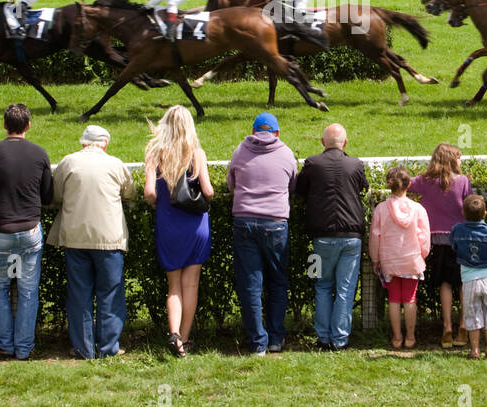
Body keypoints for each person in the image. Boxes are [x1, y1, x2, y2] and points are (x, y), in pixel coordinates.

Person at [49, 125, 135, 359]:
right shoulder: (115, 164)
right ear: (105, 144)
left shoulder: (68, 162)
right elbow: (130, 192)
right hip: (109, 239)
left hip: (75, 238)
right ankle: (108, 347)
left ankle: (82, 348)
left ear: (83, 143)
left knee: (79, 294)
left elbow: (56, 196)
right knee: (110, 293)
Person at [0, 104, 52, 361]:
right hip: (29, 231)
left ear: (4, 125)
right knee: (28, 290)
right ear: (28, 126)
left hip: (1, 232)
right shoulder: (40, 154)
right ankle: (24, 347)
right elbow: (47, 195)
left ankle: (4, 345)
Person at [145, 105, 213, 358]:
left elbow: (150, 192)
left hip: (168, 223)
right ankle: (184, 339)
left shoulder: (155, 154)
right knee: (191, 284)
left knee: (173, 286)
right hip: (196, 225)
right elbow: (208, 191)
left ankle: (173, 333)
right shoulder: (196, 153)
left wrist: (157, 204)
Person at [227, 112, 296, 354]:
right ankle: (276, 337)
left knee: (251, 284)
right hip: (276, 223)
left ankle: (258, 342)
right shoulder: (286, 153)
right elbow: (292, 186)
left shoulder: (240, 151)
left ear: (254, 131)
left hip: (244, 222)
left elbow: (231, 183)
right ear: (276, 132)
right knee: (278, 281)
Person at [295, 123, 368, 351]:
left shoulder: (312, 163)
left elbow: (300, 190)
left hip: (321, 237)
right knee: (346, 288)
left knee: (322, 285)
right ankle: (340, 339)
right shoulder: (356, 164)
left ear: (322, 142)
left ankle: (324, 337)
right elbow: (363, 188)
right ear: (345, 143)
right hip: (351, 236)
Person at [408, 143, 472, 348]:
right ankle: (463, 325)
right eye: (458, 157)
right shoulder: (462, 181)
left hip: (434, 240)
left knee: (444, 284)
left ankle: (447, 328)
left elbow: (403, 183)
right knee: (463, 283)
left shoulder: (424, 181)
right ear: (452, 160)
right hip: (460, 239)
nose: (461, 161)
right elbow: (470, 207)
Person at [369, 166, 431, 350]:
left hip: (389, 258)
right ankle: (410, 337)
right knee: (410, 299)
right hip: (411, 258)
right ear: (409, 184)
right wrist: (422, 255)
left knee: (394, 299)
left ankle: (397, 337)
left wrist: (375, 259)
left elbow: (374, 236)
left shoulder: (381, 209)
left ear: (389, 185)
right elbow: (425, 236)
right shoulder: (418, 208)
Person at [451, 194, 487, 359]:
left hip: (469, 279)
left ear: (463, 212)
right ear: (485, 214)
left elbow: (454, 246)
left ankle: (474, 350)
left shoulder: (457, 230)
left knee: (472, 313)